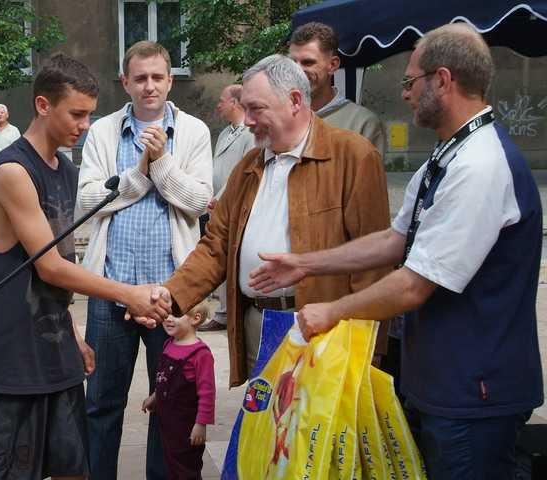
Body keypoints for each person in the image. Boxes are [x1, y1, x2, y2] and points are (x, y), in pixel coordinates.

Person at [248, 23, 543, 480]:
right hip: (443, 381)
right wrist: (303, 264)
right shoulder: (449, 154)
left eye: (410, 81)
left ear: (443, 81)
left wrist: (333, 311)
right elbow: (393, 239)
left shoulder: (480, 165)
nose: (405, 95)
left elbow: (414, 284)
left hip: (474, 390)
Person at [0, 53, 171, 480]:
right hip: (7, 360)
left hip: (51, 350)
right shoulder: (12, 169)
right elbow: (48, 267)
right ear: (44, 105)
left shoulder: (65, 169)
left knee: (73, 468)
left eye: (90, 114)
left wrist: (73, 334)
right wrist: (128, 292)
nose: (85, 125)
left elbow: (63, 263)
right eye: (77, 114)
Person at [147, 54, 391, 389]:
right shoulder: (250, 164)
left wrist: (370, 349)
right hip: (256, 326)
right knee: (265, 435)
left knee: (314, 439)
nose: (247, 121)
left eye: (256, 108)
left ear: (294, 101)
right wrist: (169, 296)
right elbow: (215, 245)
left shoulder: (353, 156)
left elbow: (373, 264)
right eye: (245, 108)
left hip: (323, 333)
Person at [77, 40, 212, 480]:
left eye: (157, 77)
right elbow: (87, 200)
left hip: (170, 295)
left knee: (170, 406)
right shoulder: (103, 133)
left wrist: (162, 162)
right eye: (140, 78)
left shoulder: (193, 132)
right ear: (126, 83)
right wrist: (140, 173)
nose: (149, 86)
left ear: (170, 80)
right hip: (111, 291)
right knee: (101, 403)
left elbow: (197, 202)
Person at [199, 84, 255, 332]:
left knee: (232, 255)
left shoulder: (250, 134)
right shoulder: (225, 134)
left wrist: (221, 197)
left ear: (234, 102)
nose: (218, 105)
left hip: (233, 205)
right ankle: (222, 310)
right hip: (216, 207)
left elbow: (242, 172)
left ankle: (226, 313)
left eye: (222, 100)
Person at [142, 299, 215, 480]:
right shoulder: (169, 344)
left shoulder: (201, 354)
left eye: (176, 314)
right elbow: (165, 378)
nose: (169, 319)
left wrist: (201, 424)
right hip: (168, 422)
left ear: (195, 319)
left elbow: (207, 393)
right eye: (167, 314)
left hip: (187, 425)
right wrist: (155, 396)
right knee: (171, 464)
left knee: (187, 468)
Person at [288, 22, 385, 158]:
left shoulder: (362, 123)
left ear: (332, 65)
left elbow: (369, 178)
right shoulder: (279, 116)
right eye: (292, 63)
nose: (297, 70)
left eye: (308, 62)